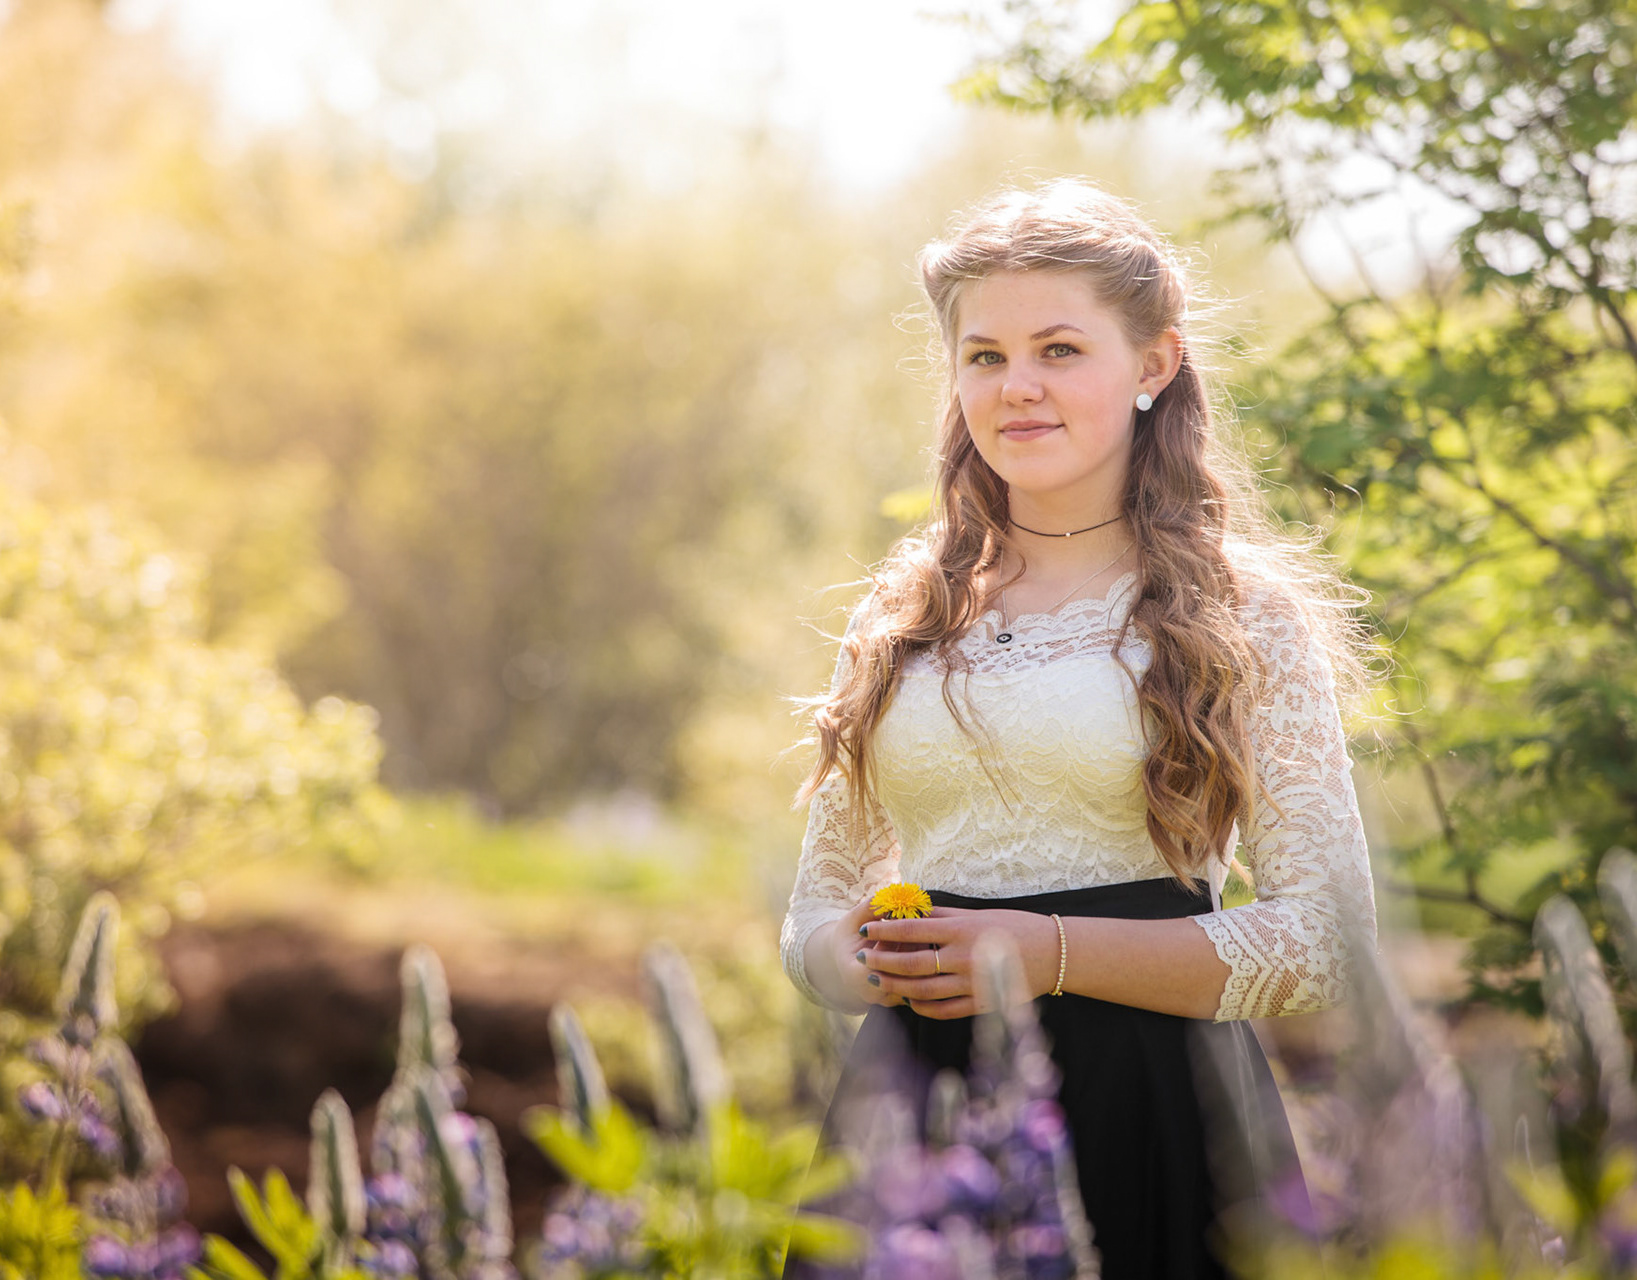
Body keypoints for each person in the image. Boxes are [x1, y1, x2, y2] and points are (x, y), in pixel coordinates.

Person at [779, 179, 1379, 1278]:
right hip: (915, 1119)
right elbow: (813, 912)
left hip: (1152, 1105)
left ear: (1153, 365)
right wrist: (861, 957)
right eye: (984, 356)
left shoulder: (1239, 613)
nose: (1017, 386)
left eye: (1058, 349)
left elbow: (1325, 941)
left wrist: (1042, 954)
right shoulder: (902, 612)